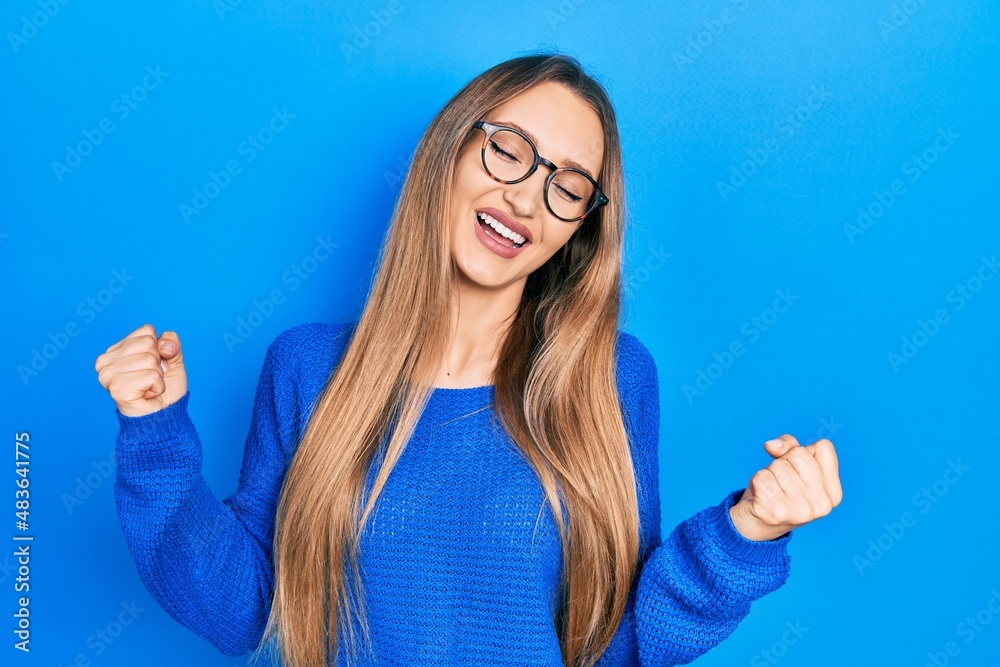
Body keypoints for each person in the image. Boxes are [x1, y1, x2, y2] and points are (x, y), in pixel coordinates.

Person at [94, 52, 842, 667]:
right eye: (509, 150)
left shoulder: (610, 378)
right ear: (450, 148)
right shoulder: (308, 369)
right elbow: (243, 609)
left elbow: (621, 641)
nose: (525, 197)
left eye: (568, 185)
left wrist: (749, 528)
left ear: (579, 228)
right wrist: (154, 434)